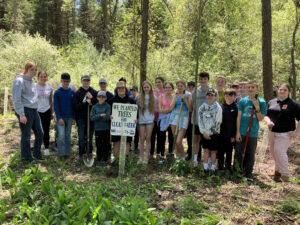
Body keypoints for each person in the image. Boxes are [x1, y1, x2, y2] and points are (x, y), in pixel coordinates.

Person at [264, 83, 300, 182]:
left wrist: (297, 132)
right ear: (277, 90)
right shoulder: (272, 102)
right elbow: (266, 115)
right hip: (272, 132)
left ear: (288, 91)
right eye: (280, 89)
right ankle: (277, 171)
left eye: (285, 90)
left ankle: (285, 174)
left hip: (286, 133)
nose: (282, 91)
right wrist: (268, 121)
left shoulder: (293, 104)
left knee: (279, 151)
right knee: (273, 152)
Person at [234, 81, 267, 181]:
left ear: (257, 89)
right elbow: (239, 117)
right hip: (242, 131)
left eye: (253, 87)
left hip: (253, 132)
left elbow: (261, 118)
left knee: (250, 153)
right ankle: (237, 170)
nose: (250, 89)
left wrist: (257, 107)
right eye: (249, 87)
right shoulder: (243, 101)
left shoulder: (262, 102)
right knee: (238, 152)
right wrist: (238, 132)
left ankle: (248, 172)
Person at [12, 62, 44, 164]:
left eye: (35, 70)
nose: (34, 72)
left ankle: (36, 153)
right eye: (32, 70)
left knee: (40, 133)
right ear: (26, 69)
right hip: (25, 110)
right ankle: (26, 157)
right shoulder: (19, 81)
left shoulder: (32, 80)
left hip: (34, 110)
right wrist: (21, 114)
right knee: (26, 135)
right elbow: (16, 99)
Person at [192, 72, 217, 166]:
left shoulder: (213, 91)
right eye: (201, 79)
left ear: (208, 80)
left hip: (208, 122)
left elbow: (215, 106)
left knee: (208, 141)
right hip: (197, 120)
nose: (203, 81)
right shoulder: (195, 92)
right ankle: (195, 159)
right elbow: (193, 106)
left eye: (205, 79)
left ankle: (209, 160)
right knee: (196, 140)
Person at [72, 75, 98, 159]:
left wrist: (92, 98)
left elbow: (98, 104)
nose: (86, 82)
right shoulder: (78, 93)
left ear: (89, 82)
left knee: (89, 137)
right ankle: (81, 154)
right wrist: (85, 103)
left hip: (91, 119)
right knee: (81, 138)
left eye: (87, 81)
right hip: (81, 119)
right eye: (84, 80)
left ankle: (89, 153)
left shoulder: (93, 92)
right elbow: (76, 107)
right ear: (81, 81)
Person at [108, 81, 136, 156]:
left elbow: (135, 113)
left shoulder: (131, 101)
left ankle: (126, 159)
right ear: (117, 90)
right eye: (119, 88)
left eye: (123, 88)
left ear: (125, 89)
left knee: (127, 142)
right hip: (116, 125)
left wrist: (136, 119)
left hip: (128, 125)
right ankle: (116, 158)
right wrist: (109, 116)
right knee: (116, 141)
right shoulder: (112, 101)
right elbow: (108, 112)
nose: (121, 90)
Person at [198, 88, 222, 171]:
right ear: (206, 96)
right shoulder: (202, 107)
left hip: (214, 133)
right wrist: (204, 132)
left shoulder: (218, 108)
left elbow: (218, 121)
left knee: (213, 151)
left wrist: (210, 133)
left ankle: (212, 167)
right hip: (204, 133)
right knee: (205, 150)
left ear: (215, 96)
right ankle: (205, 167)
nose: (210, 96)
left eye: (212, 95)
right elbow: (200, 121)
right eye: (208, 95)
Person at [54, 73, 75, 159]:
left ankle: (67, 154)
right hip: (61, 118)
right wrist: (59, 118)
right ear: (61, 81)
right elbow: (56, 106)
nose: (66, 83)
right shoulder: (57, 93)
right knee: (61, 136)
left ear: (70, 82)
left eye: (67, 81)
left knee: (67, 135)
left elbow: (74, 106)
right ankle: (60, 154)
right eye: (64, 81)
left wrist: (74, 117)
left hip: (70, 117)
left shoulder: (72, 92)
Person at [169, 79, 192, 159]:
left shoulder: (188, 94)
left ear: (184, 86)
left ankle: (182, 158)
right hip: (174, 117)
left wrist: (184, 99)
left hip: (184, 117)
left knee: (179, 141)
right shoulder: (175, 95)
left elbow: (190, 109)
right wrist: (175, 98)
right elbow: (171, 107)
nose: (179, 87)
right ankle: (177, 158)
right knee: (175, 140)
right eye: (178, 86)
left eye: (181, 86)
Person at [217, 88, 238, 171]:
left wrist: (233, 135)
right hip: (221, 134)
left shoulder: (236, 107)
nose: (228, 97)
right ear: (224, 96)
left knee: (229, 152)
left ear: (234, 96)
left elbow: (236, 123)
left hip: (231, 135)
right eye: (226, 95)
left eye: (230, 95)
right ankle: (220, 167)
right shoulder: (220, 106)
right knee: (220, 152)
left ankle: (228, 167)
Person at [136, 81, 156, 164]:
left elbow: (158, 109)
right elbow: (135, 108)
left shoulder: (154, 97)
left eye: (148, 87)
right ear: (142, 88)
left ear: (150, 87)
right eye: (144, 87)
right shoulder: (139, 97)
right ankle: (141, 157)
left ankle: (146, 158)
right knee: (141, 138)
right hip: (141, 119)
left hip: (150, 120)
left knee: (148, 138)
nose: (146, 88)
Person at [90, 91, 111, 167]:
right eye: (100, 97)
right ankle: (99, 160)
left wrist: (99, 117)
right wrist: (100, 115)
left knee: (105, 144)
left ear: (105, 98)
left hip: (106, 129)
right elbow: (92, 118)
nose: (101, 98)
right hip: (98, 129)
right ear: (97, 97)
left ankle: (105, 160)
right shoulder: (94, 107)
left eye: (103, 97)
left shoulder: (108, 106)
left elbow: (107, 117)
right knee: (98, 145)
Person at [36, 71, 53, 156]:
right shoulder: (34, 87)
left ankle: (46, 148)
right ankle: (37, 148)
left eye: (44, 76)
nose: (43, 78)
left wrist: (51, 112)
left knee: (46, 130)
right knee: (38, 131)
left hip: (47, 111)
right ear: (38, 77)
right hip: (37, 111)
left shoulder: (49, 88)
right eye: (41, 76)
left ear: (47, 77)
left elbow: (50, 101)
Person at [157, 82, 174, 164]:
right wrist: (166, 111)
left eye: (169, 87)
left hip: (171, 119)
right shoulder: (161, 96)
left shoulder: (174, 97)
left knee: (171, 137)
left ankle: (170, 154)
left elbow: (172, 108)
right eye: (166, 87)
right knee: (161, 138)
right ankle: (162, 155)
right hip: (162, 119)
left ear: (172, 88)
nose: (167, 89)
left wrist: (165, 111)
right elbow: (159, 109)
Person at [151, 77, 166, 158]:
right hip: (153, 117)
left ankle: (160, 153)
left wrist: (161, 95)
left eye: (159, 82)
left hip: (162, 117)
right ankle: (151, 153)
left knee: (161, 136)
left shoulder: (166, 91)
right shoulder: (152, 91)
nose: (158, 84)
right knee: (152, 136)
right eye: (156, 82)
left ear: (163, 82)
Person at [186, 81, 195, 161]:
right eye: (189, 87)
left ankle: (197, 155)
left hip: (195, 119)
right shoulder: (186, 95)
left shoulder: (196, 95)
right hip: (187, 118)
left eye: (192, 87)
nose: (191, 88)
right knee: (189, 137)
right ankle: (189, 153)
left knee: (196, 138)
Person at [130, 85, 140, 153]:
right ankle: (129, 146)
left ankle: (136, 147)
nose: (133, 92)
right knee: (130, 132)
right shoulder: (129, 98)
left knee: (137, 133)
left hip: (137, 117)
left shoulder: (139, 98)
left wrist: (138, 118)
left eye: (134, 90)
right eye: (131, 90)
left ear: (137, 91)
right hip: (130, 117)